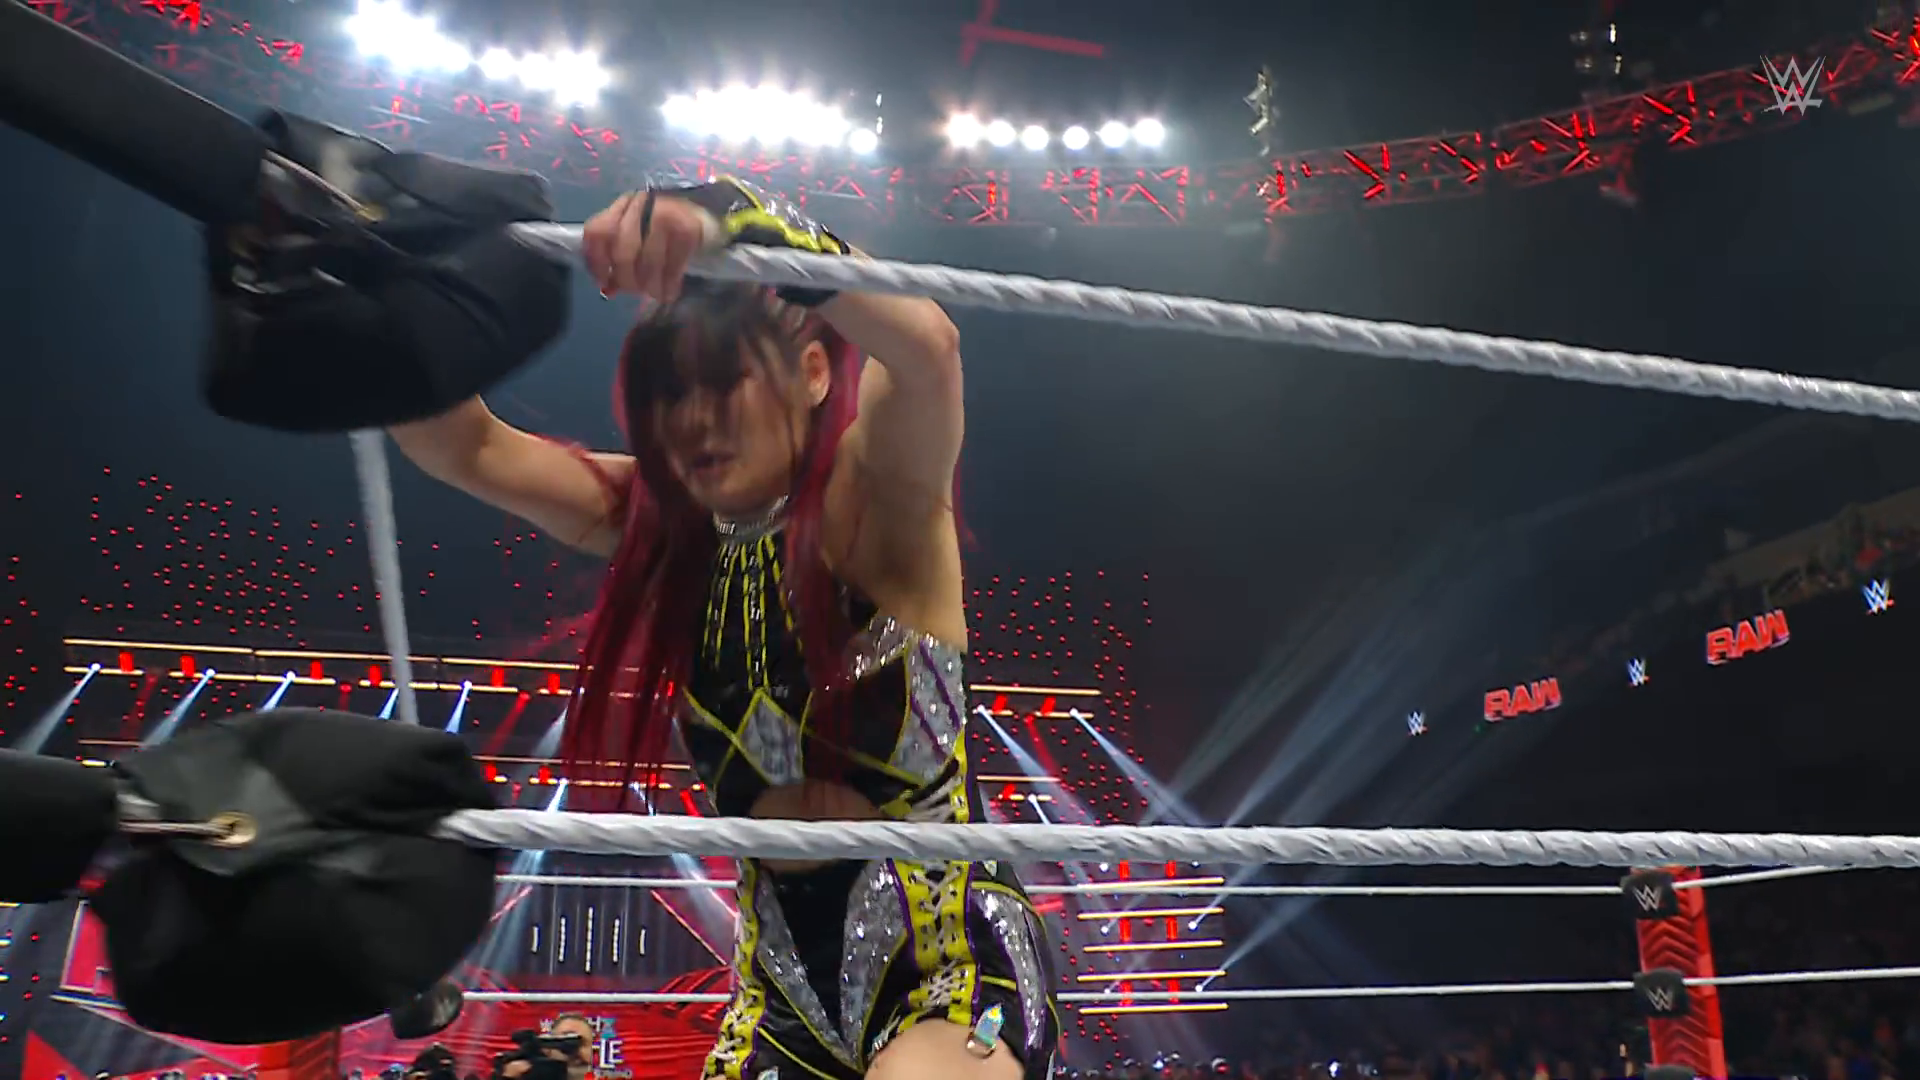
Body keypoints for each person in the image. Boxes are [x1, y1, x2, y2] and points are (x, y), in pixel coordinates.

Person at [388, 176, 1058, 1080]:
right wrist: (394, 287)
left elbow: (928, 346)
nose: (694, 420)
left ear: (814, 373)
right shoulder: (659, 525)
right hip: (778, 994)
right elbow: (461, 445)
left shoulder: (874, 501)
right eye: (670, 393)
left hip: (948, 970)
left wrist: (739, 218)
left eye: (723, 382)